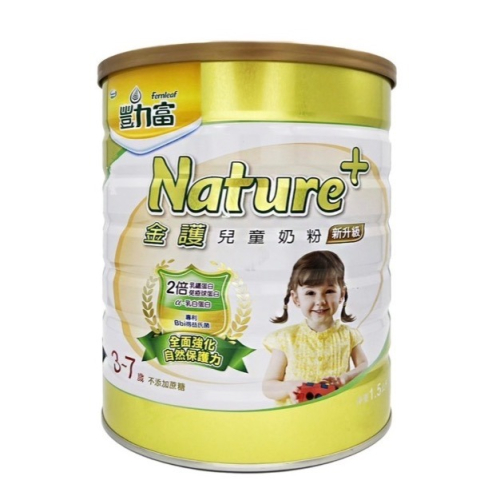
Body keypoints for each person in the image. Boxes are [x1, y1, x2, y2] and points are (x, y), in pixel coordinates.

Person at [262, 250, 368, 405]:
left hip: (337, 411)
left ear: (342, 294)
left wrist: (345, 378)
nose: (320, 301)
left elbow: (364, 366)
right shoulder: (286, 339)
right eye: (310, 293)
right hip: (294, 415)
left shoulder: (348, 335)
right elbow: (268, 386)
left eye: (329, 291)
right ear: (296, 298)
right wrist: (289, 387)